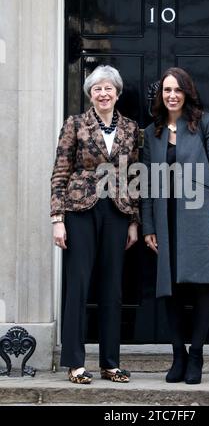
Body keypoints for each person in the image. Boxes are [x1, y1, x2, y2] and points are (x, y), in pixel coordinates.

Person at [142, 67, 209, 384]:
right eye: (166, 90)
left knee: (202, 287)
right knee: (170, 290)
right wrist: (148, 225)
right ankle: (178, 355)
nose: (171, 95)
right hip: (166, 219)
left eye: (177, 90)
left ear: (186, 92)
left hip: (201, 216)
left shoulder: (204, 123)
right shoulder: (151, 132)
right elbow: (148, 184)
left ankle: (196, 356)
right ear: (160, 95)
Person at [51, 65, 139, 384]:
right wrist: (58, 220)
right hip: (80, 211)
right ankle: (75, 363)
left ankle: (110, 363)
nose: (103, 93)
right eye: (97, 88)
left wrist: (133, 221)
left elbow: (134, 177)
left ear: (117, 92)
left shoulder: (130, 128)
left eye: (108, 88)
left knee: (112, 288)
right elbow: (60, 172)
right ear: (90, 93)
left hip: (116, 210)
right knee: (78, 284)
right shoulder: (75, 124)